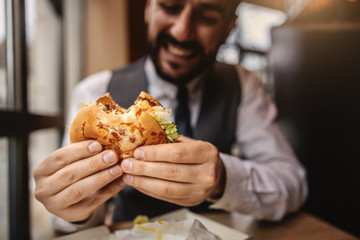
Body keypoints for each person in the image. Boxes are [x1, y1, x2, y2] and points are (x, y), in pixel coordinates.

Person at [33, 0, 308, 233]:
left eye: (207, 16)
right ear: (148, 8)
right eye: (170, 6)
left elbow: (292, 185)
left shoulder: (242, 84)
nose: (182, 31)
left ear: (228, 29)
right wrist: (72, 206)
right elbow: (74, 224)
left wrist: (225, 178)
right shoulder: (94, 91)